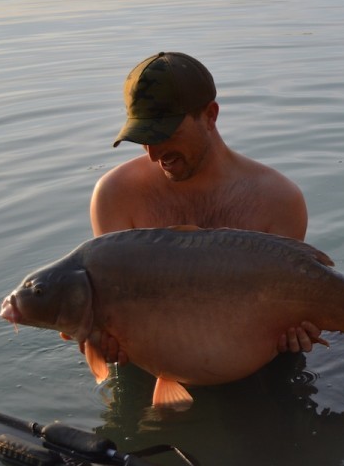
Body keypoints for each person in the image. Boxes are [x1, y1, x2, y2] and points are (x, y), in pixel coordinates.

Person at [88, 51, 321, 360]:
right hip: (149, 367)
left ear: (210, 115)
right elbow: (110, 306)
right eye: (143, 137)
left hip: (253, 370)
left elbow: (287, 308)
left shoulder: (279, 200)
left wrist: (297, 333)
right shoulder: (114, 195)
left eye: (165, 133)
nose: (155, 154)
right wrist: (99, 337)